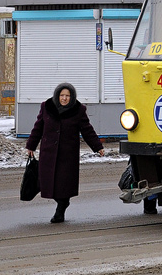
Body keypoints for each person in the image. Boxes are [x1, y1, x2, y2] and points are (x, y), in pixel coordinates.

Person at [25, 82, 106, 223]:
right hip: (48, 153)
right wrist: (31, 146)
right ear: (57, 96)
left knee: (64, 185)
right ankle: (61, 202)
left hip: (67, 155)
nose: (64, 98)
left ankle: (61, 209)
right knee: (47, 183)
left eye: (67, 96)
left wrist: (97, 146)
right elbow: (38, 127)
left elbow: (87, 130)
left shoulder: (78, 110)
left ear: (72, 97)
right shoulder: (46, 107)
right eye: (62, 95)